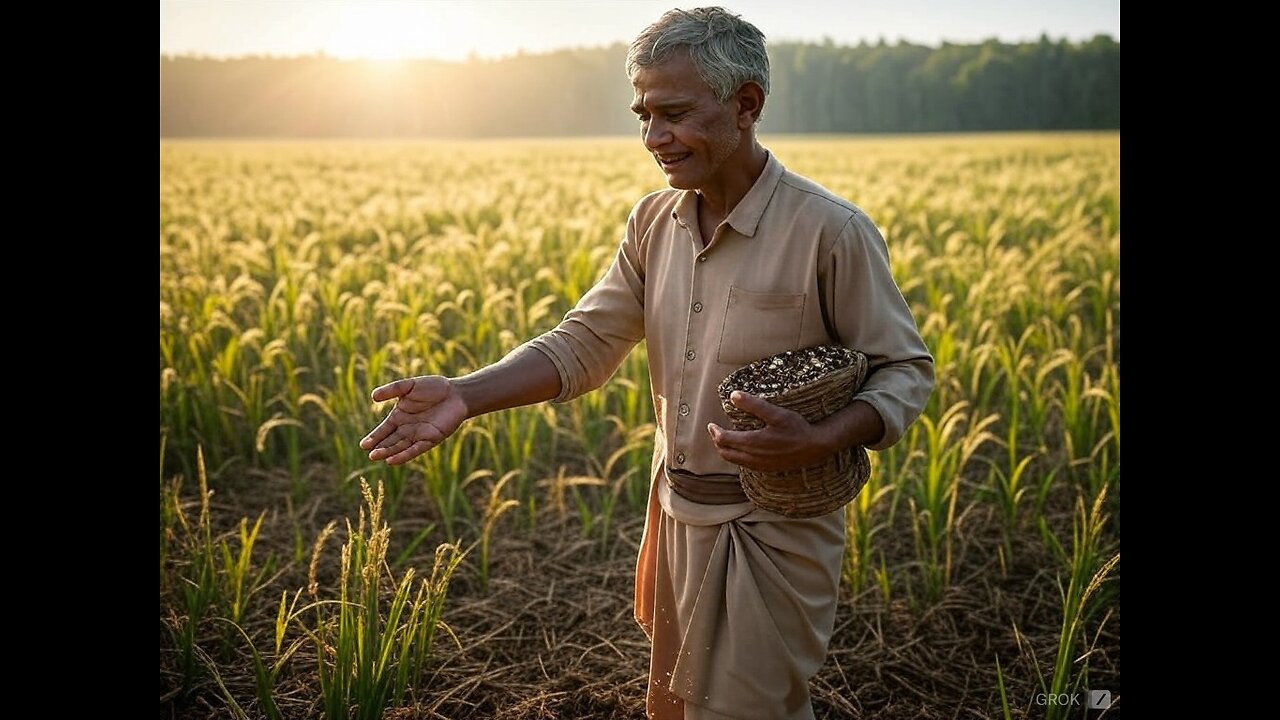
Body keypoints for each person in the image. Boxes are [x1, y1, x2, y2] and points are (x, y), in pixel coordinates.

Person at [360, 7, 934, 719]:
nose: (653, 138)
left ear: (746, 104)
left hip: (775, 536)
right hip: (674, 517)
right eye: (642, 115)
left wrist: (820, 438)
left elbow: (905, 370)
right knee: (676, 705)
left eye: (674, 114)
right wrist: (465, 395)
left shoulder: (830, 231)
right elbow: (583, 342)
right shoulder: (652, 223)